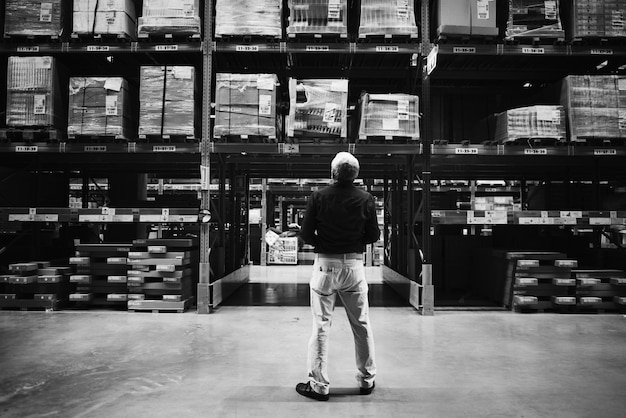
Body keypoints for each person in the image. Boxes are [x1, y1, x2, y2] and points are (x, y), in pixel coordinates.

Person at [295, 152, 380, 401]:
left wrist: (325, 242)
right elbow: (373, 234)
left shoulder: (319, 197)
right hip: (354, 266)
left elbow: (306, 234)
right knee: (362, 324)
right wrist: (353, 242)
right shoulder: (366, 199)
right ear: (356, 175)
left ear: (333, 173)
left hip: (325, 267)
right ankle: (367, 379)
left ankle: (319, 385)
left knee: (321, 326)